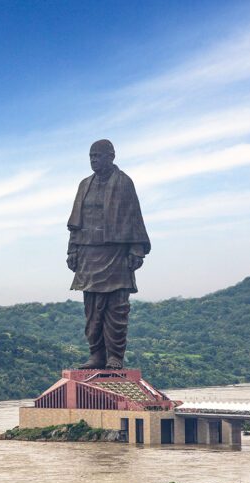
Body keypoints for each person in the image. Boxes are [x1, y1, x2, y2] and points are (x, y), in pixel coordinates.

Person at [67, 139, 150, 369]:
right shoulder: (84, 185)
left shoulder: (124, 182)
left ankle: (115, 356)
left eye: (98, 156)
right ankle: (96, 354)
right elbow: (75, 223)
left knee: (116, 308)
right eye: (91, 156)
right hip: (88, 254)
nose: (94, 160)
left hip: (115, 254)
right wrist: (72, 249)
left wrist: (136, 249)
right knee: (92, 309)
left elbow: (134, 217)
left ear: (111, 156)